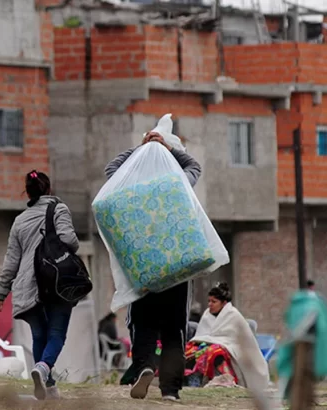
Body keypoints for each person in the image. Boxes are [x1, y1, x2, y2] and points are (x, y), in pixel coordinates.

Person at [107, 129, 201, 401]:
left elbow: (111, 168)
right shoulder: (178, 181)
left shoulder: (130, 183)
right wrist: (167, 150)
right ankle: (170, 390)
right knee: (175, 329)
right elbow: (194, 165)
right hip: (176, 268)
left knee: (143, 324)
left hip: (143, 269)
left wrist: (141, 148)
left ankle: (145, 367)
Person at [0, 170, 79, 401]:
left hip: (27, 286)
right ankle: (43, 369)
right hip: (56, 282)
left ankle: (48, 389)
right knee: (57, 334)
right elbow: (70, 240)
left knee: (39, 335)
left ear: (27, 192)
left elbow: (11, 262)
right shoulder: (59, 209)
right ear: (48, 190)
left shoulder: (19, 221)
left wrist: (0, 293)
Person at [185, 283, 269, 389]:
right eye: (209, 301)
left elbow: (236, 342)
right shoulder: (207, 315)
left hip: (231, 350)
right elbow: (202, 335)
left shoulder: (234, 315)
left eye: (214, 302)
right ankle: (194, 379)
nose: (210, 304)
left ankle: (226, 379)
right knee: (190, 350)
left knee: (215, 351)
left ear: (224, 303)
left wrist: (217, 344)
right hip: (207, 345)